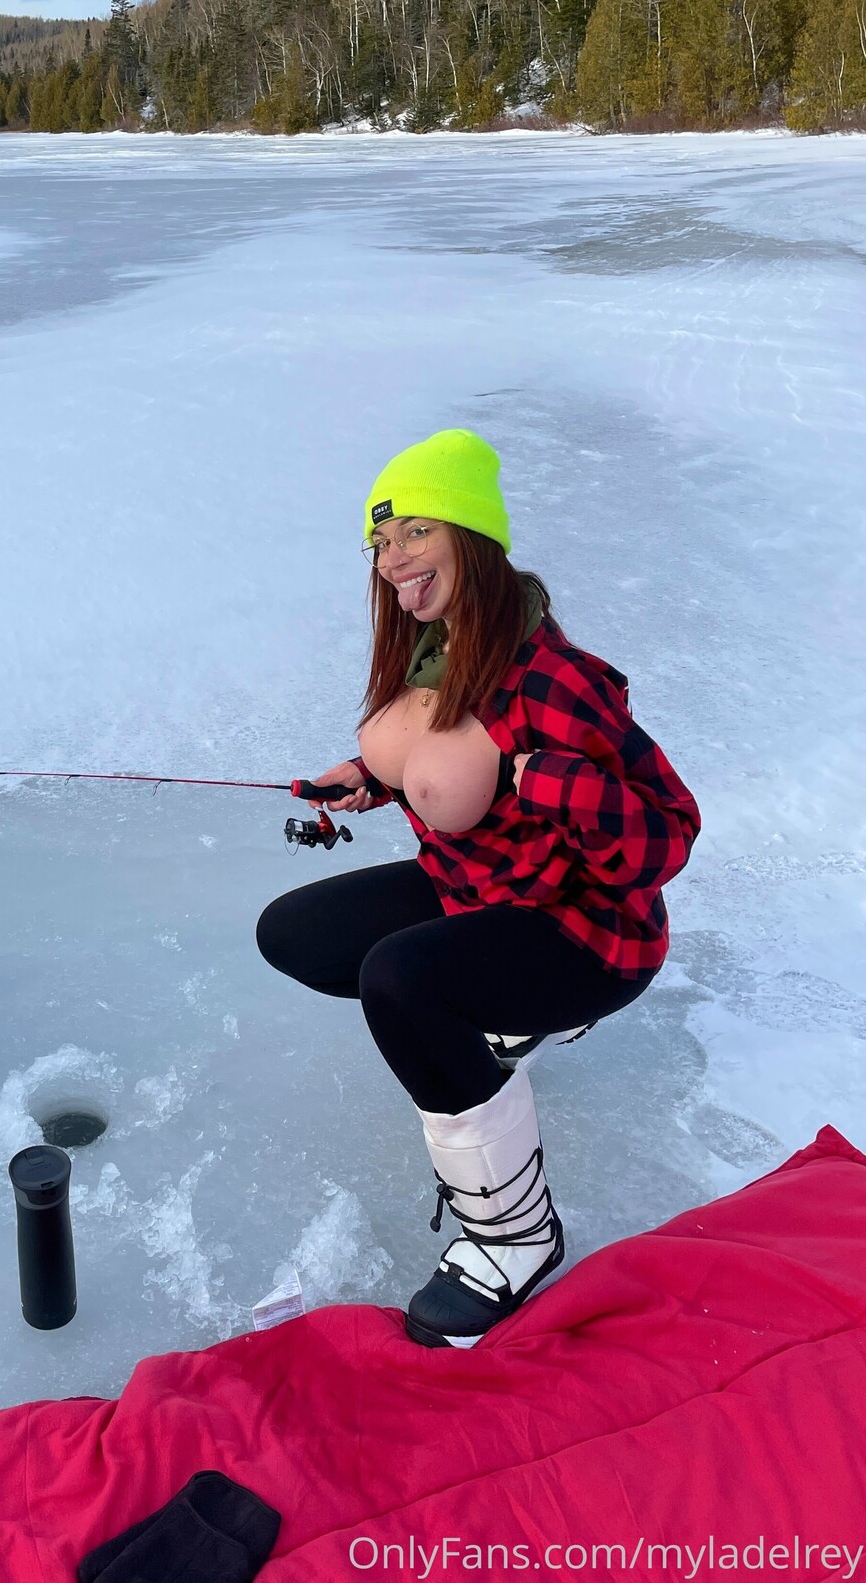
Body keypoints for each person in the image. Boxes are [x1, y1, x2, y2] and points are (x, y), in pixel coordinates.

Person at [256, 428, 700, 1349]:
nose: (393, 560)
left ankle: (515, 1237)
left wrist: (544, 775)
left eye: (416, 531)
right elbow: (450, 765)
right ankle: (495, 1018)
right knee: (294, 933)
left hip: (588, 932)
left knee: (401, 980)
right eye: (381, 541)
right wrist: (372, 779)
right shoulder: (436, 647)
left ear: (472, 534)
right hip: (477, 890)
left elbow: (668, 834)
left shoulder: (558, 679)